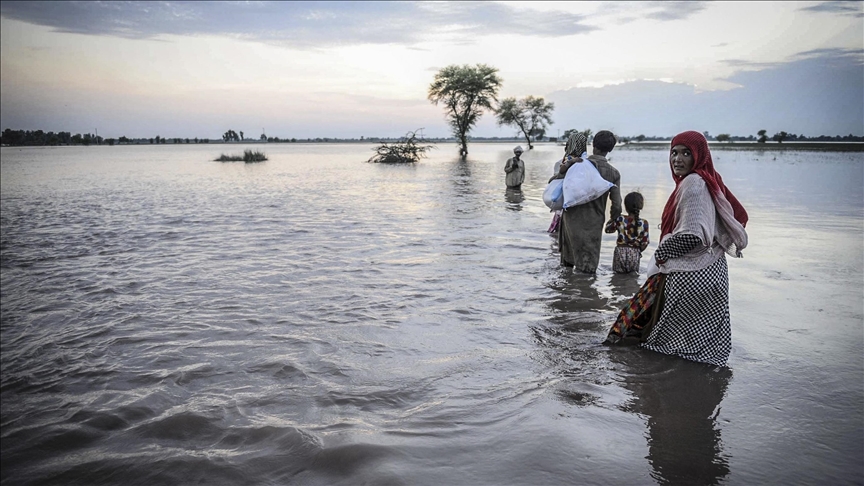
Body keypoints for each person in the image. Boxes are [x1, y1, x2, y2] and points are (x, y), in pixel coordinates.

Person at [604, 131, 749, 367]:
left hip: (691, 274)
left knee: (663, 342)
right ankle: (696, 382)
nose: (677, 159)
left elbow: (692, 235)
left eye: (686, 153)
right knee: (699, 345)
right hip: (711, 272)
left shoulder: (693, 184)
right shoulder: (706, 180)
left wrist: (661, 254)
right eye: (674, 152)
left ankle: (664, 382)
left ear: (699, 156)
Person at [557, 130, 621, 272]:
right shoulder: (613, 173)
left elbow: (556, 182)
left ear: (593, 145)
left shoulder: (576, 164)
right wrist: (613, 220)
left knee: (567, 267)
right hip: (593, 225)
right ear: (610, 149)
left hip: (570, 222)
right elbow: (617, 205)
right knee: (587, 270)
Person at [547, 133, 589, 234]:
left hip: (567, 205)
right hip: (575, 206)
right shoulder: (584, 163)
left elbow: (553, 181)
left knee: (560, 235)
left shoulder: (582, 162)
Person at [604, 191, 650, 273]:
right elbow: (644, 243)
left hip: (620, 251)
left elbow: (608, 230)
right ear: (641, 206)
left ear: (626, 207)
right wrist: (638, 251)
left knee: (617, 276)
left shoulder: (620, 219)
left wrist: (613, 218)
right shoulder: (644, 223)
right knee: (633, 277)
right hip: (634, 253)